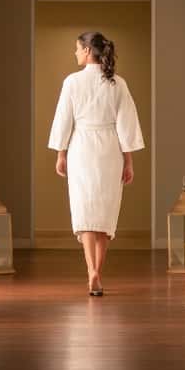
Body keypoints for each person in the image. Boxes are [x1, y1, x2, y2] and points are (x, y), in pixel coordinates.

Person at [48, 31, 144, 296]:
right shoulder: (117, 83)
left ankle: (90, 271)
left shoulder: (72, 82)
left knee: (86, 211)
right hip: (110, 150)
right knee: (104, 215)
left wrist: (61, 152)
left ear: (88, 51)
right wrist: (129, 161)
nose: (75, 53)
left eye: (78, 49)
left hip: (82, 149)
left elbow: (63, 119)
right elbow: (127, 124)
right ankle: (97, 273)